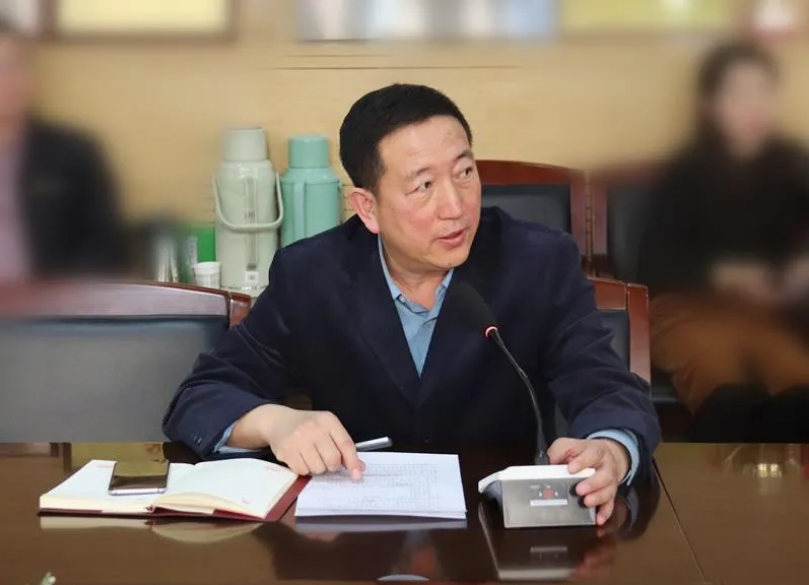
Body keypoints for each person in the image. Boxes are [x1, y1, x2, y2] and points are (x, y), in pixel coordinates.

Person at [164, 83, 660, 525]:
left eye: (464, 172)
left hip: (495, 542)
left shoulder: (537, 262)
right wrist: (276, 422)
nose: (455, 206)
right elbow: (201, 396)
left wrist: (611, 448)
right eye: (423, 185)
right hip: (355, 545)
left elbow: (606, 386)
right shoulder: (312, 275)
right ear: (368, 208)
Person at [637, 41, 809, 442]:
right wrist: (721, 274)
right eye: (738, 93)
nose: (754, 106)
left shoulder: (791, 164)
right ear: (710, 105)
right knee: (725, 388)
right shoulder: (684, 172)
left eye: (763, 91)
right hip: (686, 309)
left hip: (767, 312)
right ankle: (721, 471)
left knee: (797, 384)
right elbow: (653, 262)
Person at [0, 18, 127, 282]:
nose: (8, 80)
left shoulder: (73, 155)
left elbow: (107, 250)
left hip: (54, 304)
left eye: (14, 66)